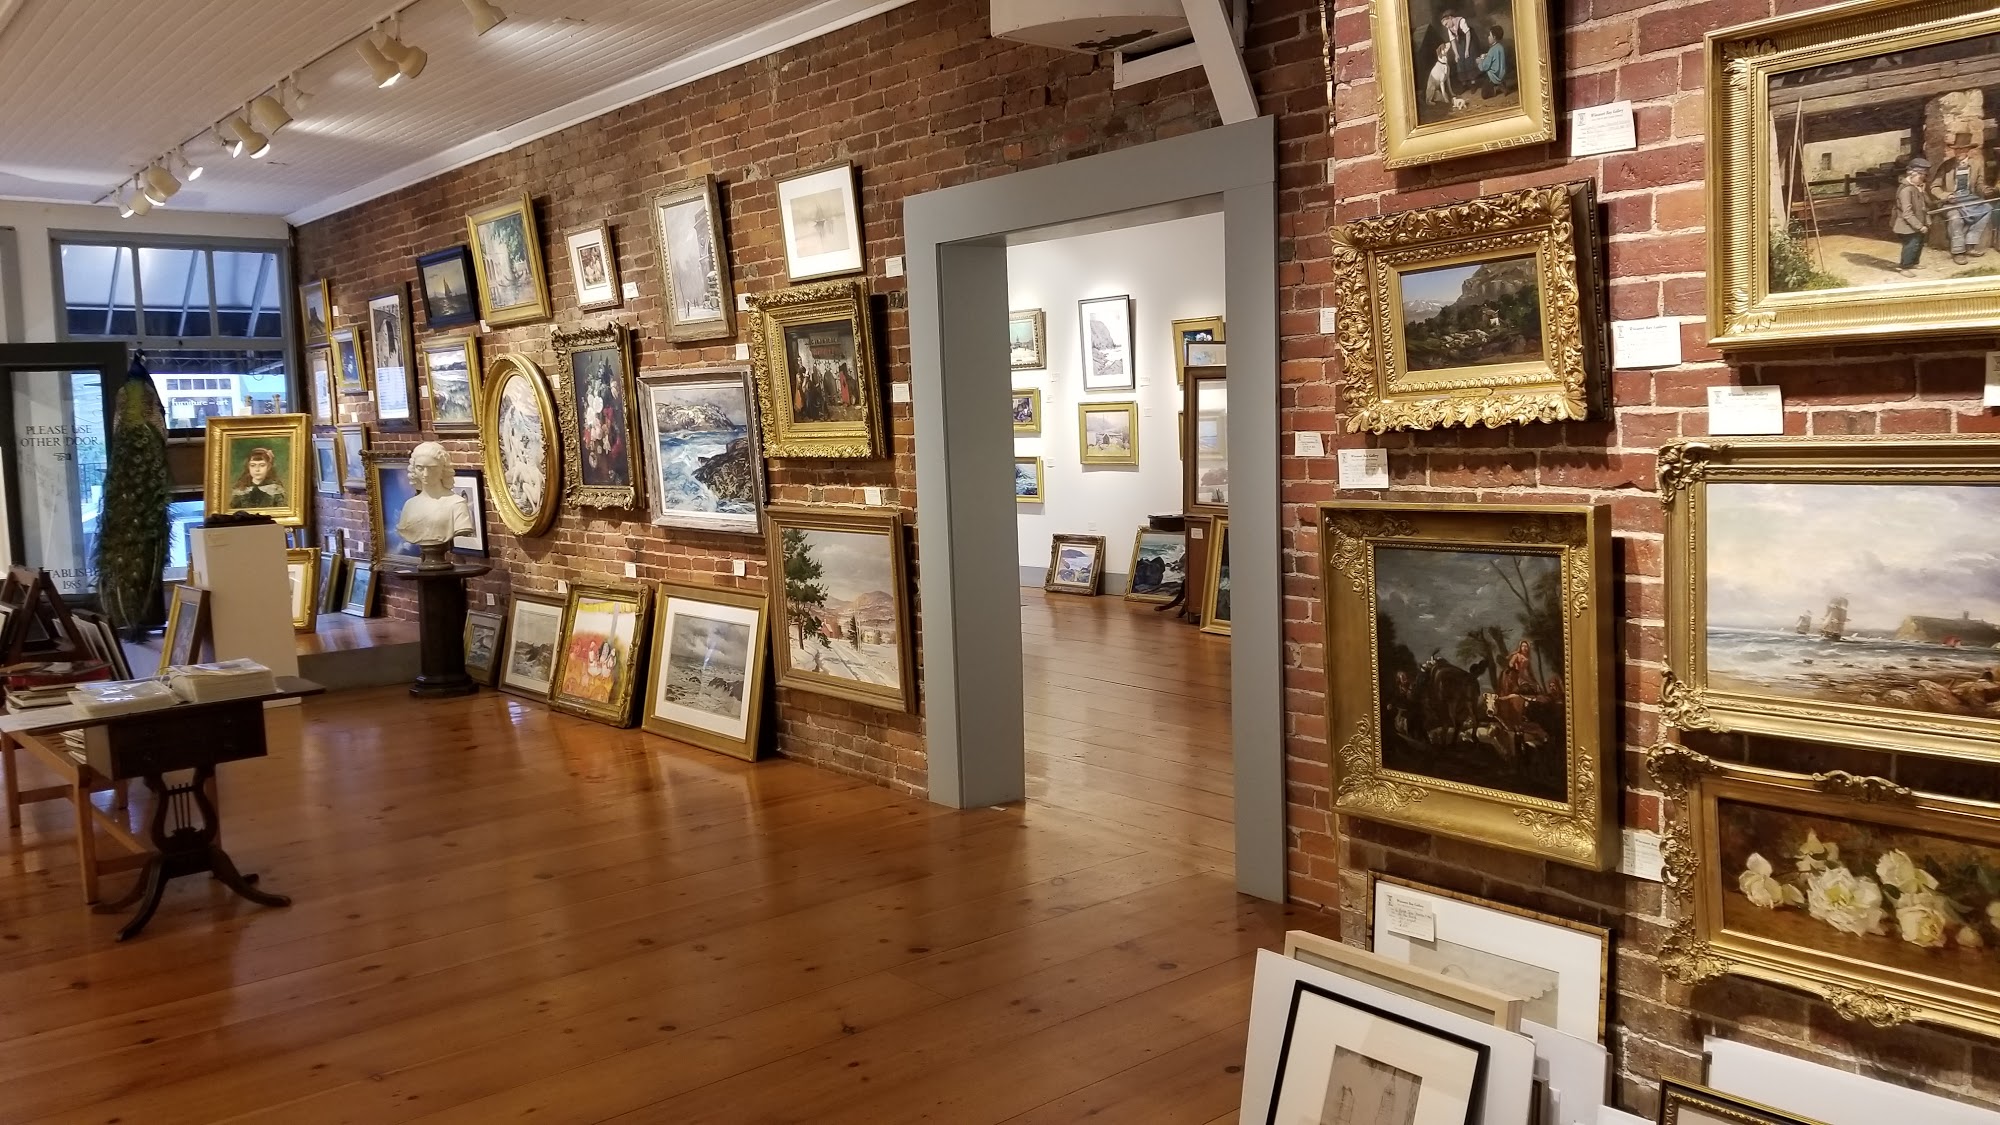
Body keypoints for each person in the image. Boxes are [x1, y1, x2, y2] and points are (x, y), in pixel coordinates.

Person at [1929, 138, 1993, 265]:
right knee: (1955, 218)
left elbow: (1979, 184)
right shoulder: (1946, 166)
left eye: (1962, 149)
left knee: (1987, 209)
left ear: (1968, 150)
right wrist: (1946, 195)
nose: (1959, 152)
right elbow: (1934, 187)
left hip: (1970, 199)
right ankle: (1958, 251)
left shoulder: (1977, 164)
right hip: (1951, 201)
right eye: (1956, 149)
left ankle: (1970, 244)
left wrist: (1985, 189)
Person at [1894, 157, 1931, 276]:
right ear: (1912, 174)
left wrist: (1922, 191)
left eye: (1924, 176)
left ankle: (1914, 263)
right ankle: (1904, 267)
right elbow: (1907, 213)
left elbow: (1926, 204)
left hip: (1917, 222)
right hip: (1907, 225)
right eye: (1920, 176)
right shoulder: (1906, 190)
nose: (1922, 179)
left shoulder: (1917, 187)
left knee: (1918, 243)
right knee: (1910, 245)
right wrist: (1919, 226)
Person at [1476, 26, 1508, 95]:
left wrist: (1480, 61)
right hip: (1501, 74)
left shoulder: (1492, 50)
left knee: (1484, 94)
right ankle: (1501, 84)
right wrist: (1487, 56)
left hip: (1494, 75)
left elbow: (1484, 67)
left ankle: (1496, 89)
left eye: (1489, 35)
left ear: (1494, 37)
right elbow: (1495, 57)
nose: (1488, 37)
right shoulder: (1500, 47)